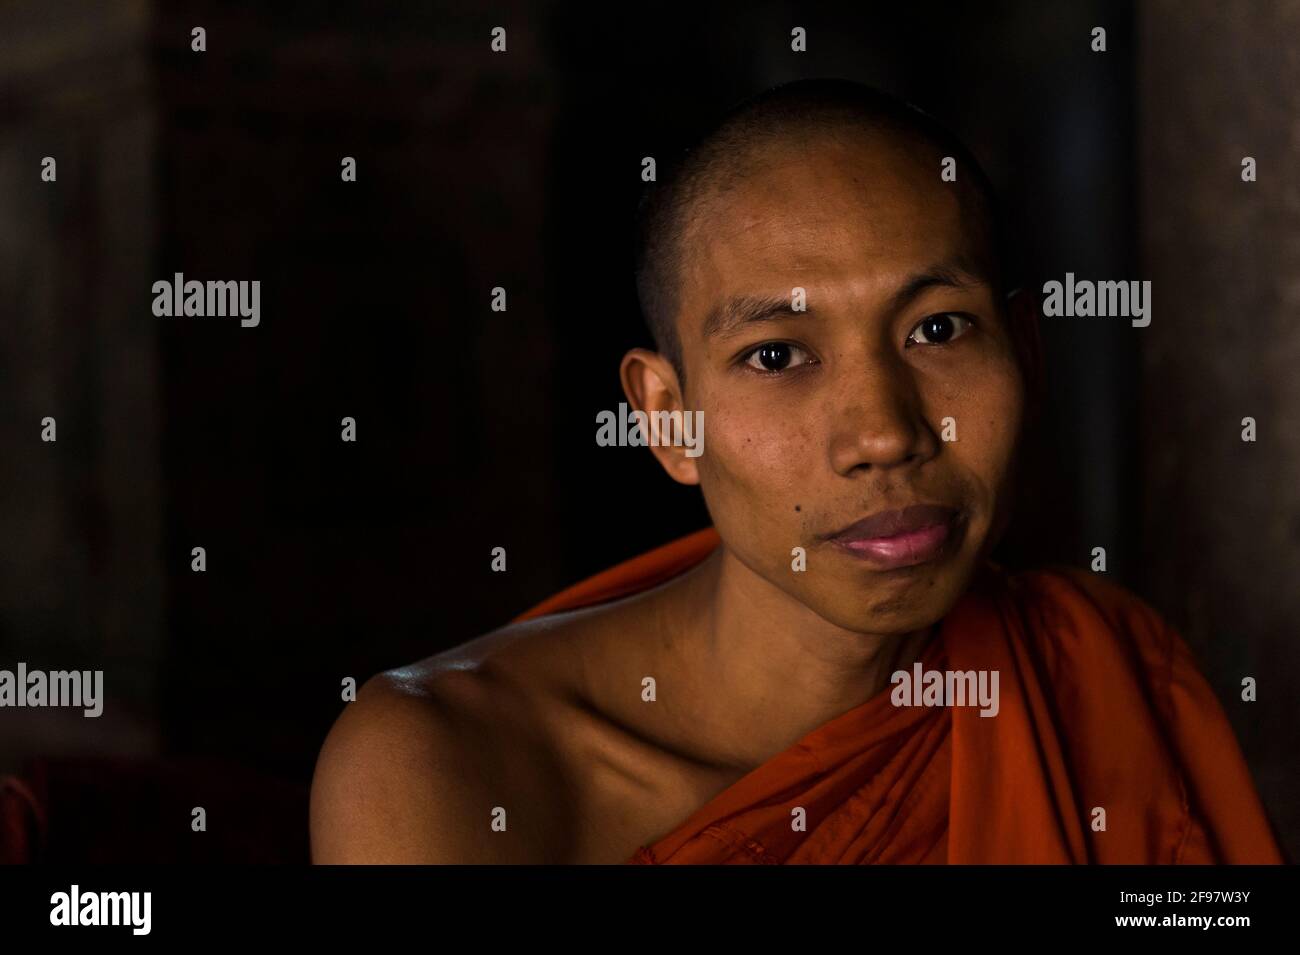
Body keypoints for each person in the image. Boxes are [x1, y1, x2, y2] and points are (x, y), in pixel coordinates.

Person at [309, 78, 1284, 864]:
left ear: (1025, 354)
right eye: (776, 354)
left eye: (937, 329)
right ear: (667, 417)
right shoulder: (449, 762)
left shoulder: (1102, 676)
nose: (884, 434)